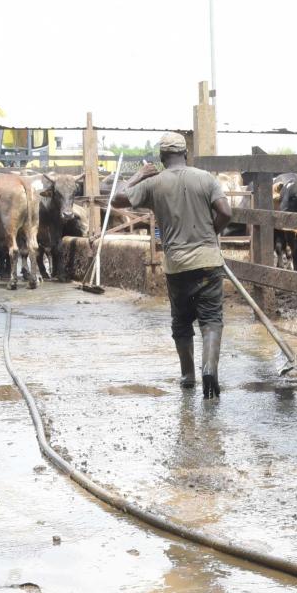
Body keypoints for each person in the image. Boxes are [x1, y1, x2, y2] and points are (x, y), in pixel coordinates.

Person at [113, 132, 233, 398]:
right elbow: (226, 212)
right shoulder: (205, 178)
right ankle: (210, 368)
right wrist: (212, 233)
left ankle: (188, 375)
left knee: (181, 322)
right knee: (211, 318)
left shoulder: (154, 183)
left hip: (177, 265)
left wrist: (138, 175)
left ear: (161, 158)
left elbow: (117, 199)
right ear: (185, 154)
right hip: (208, 262)